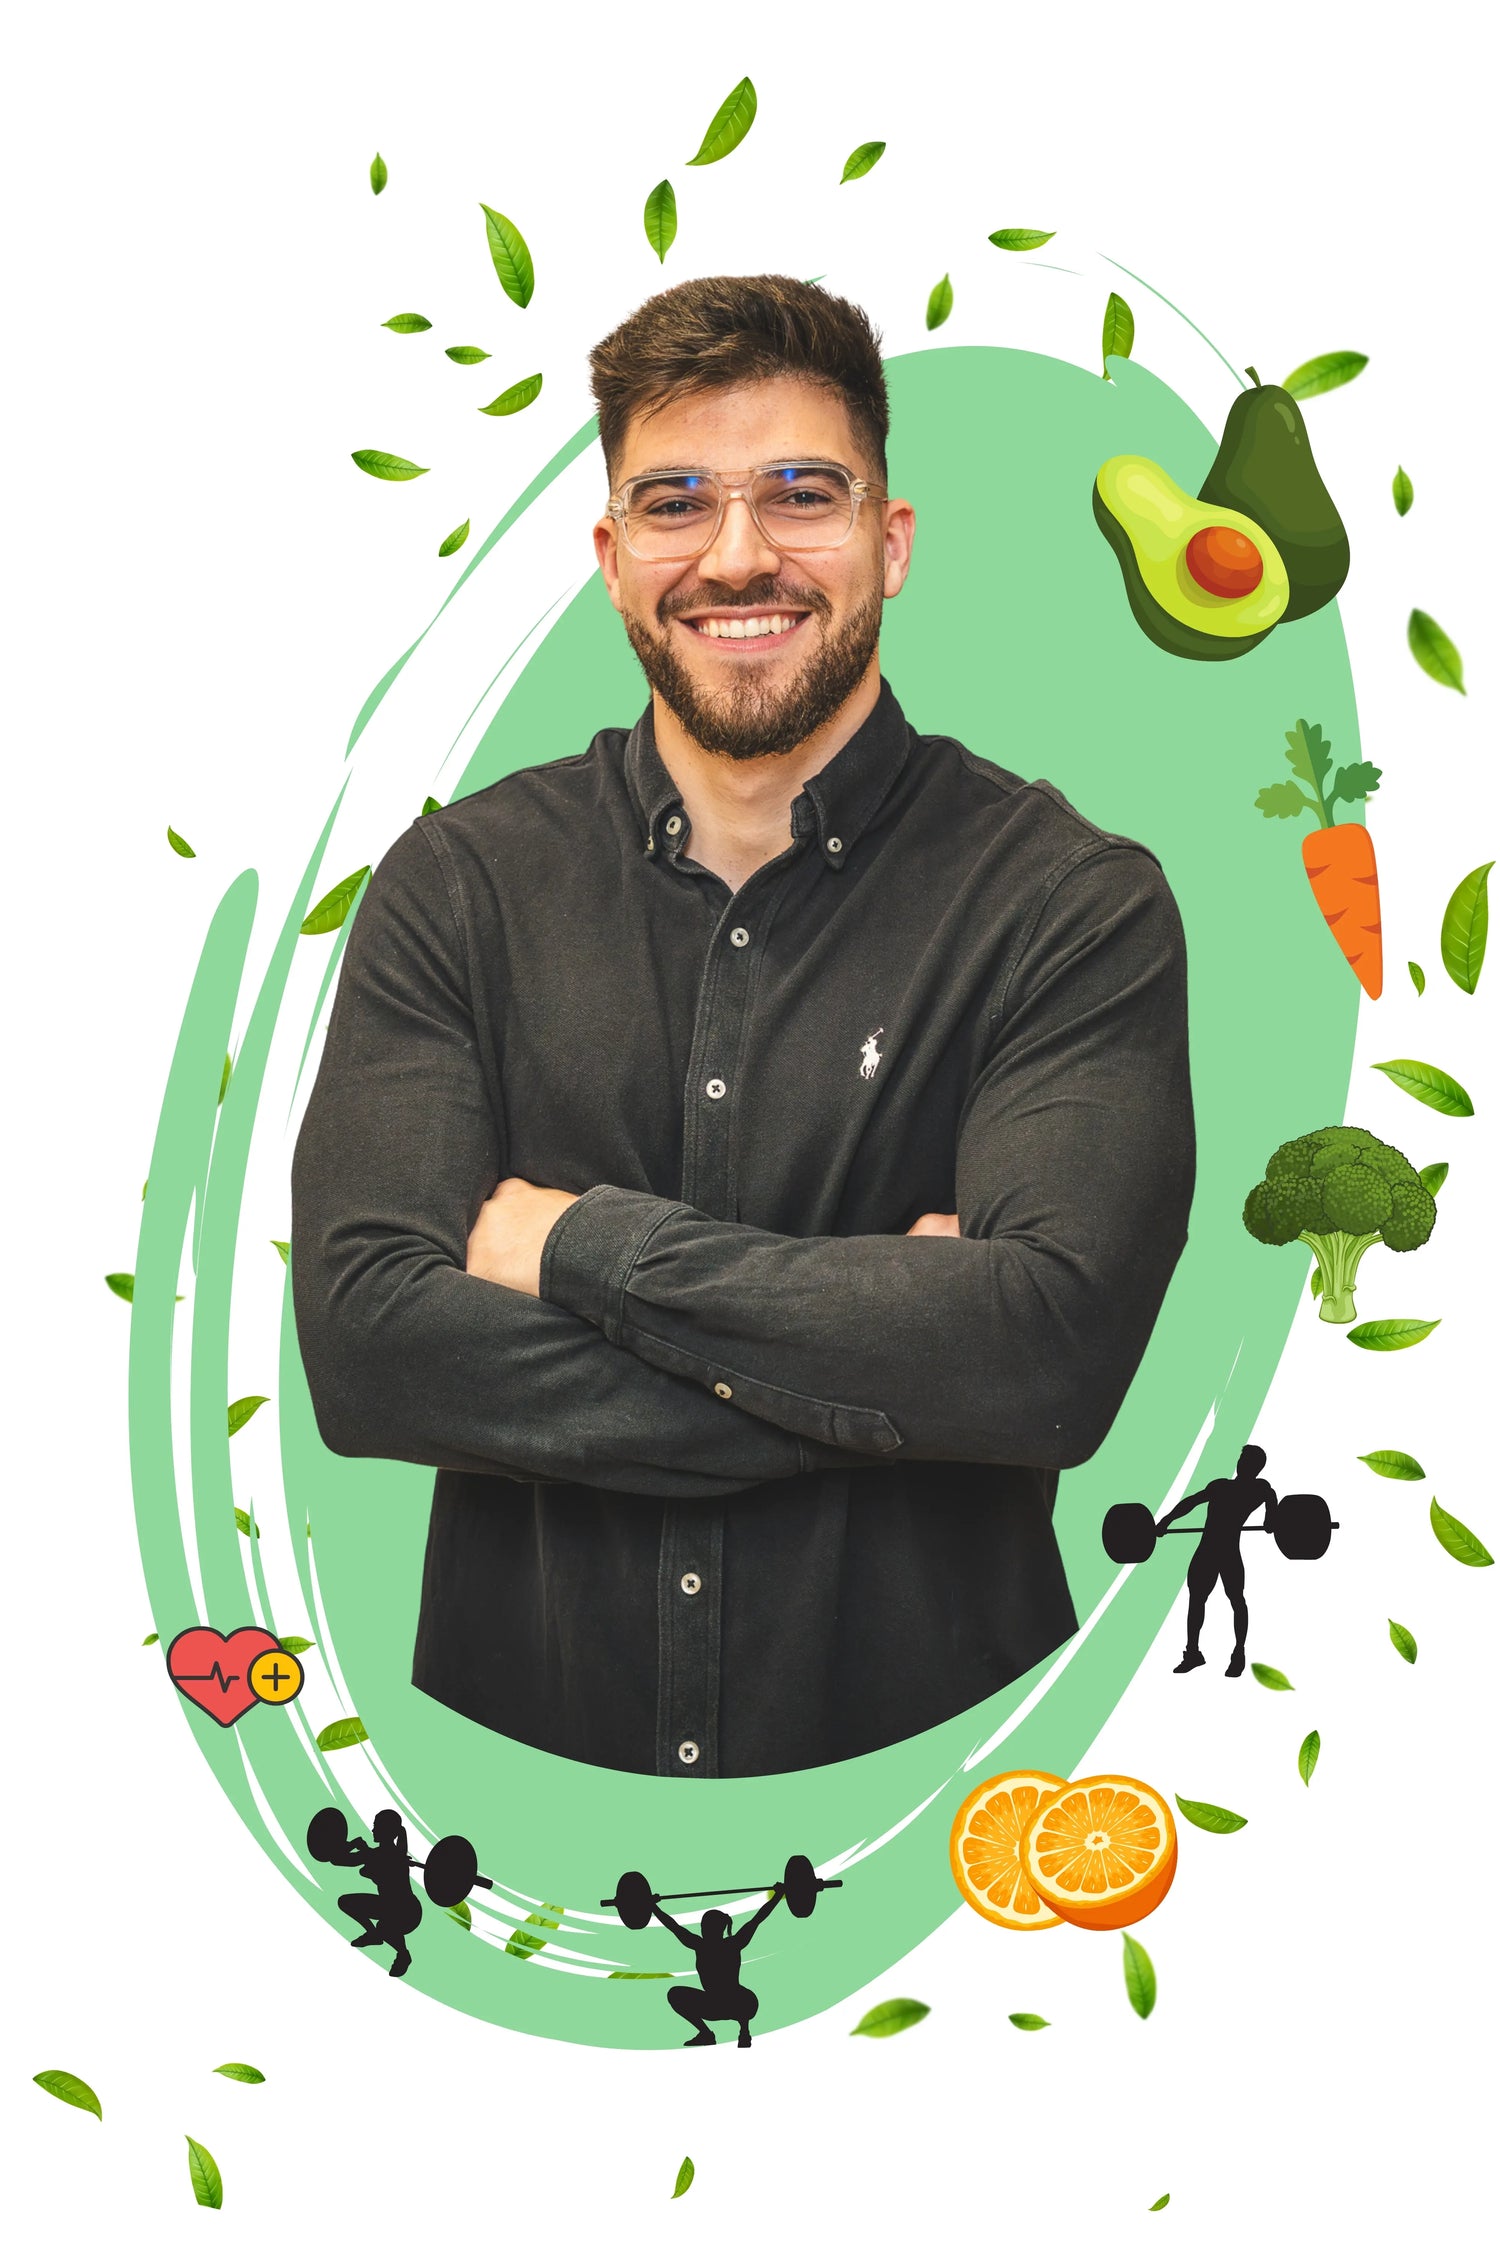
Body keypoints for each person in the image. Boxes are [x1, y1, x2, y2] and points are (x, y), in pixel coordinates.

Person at [291, 274, 1195, 1779]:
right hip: (513, 1785)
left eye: (800, 493)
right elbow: (371, 1352)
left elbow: (1045, 1361)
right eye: (674, 502)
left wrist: (574, 1249)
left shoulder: (1069, 906)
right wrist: (901, 1372)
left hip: (946, 1770)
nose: (737, 554)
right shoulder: (457, 888)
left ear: (889, 541)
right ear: (610, 555)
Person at [1158, 1444, 1279, 1677]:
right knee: (1196, 1601)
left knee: (1236, 1600)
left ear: (1256, 1467)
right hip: (1207, 1551)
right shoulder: (1222, 1486)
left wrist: (1270, 1520)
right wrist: (1166, 1520)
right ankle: (1192, 1653)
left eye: (1246, 1461)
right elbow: (1191, 1502)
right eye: (1241, 1460)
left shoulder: (1261, 1489)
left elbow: (1271, 1520)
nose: (1241, 1464)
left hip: (1227, 1552)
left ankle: (1238, 1653)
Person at [653, 1885, 784, 2048]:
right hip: (725, 2005)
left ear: (708, 1928)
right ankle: (718, 2033)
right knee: (676, 1994)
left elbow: (673, 1927)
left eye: (703, 1926)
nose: (701, 1929)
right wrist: (778, 1895)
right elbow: (757, 1919)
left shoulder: (700, 1945)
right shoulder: (734, 1943)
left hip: (722, 2005)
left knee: (676, 1994)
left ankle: (737, 2032)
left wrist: (653, 1906)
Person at [328, 1808, 423, 1978]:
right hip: (388, 1905)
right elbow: (339, 1861)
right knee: (346, 1902)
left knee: (385, 1926)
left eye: (376, 1826)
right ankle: (373, 1935)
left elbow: (342, 1860)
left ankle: (403, 1954)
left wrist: (356, 1847)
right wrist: (355, 1846)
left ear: (386, 1831)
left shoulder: (387, 1854)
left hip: (407, 1911)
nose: (372, 1830)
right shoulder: (384, 1853)